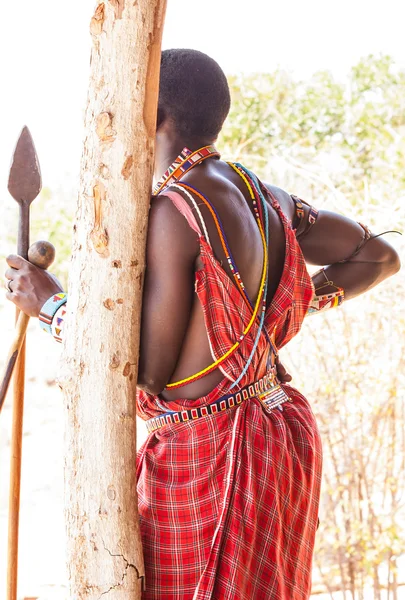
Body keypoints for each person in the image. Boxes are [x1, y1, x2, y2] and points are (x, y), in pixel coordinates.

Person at [4, 49, 401, 600]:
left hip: (210, 456)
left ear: (153, 111)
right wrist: (285, 305)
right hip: (277, 434)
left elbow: (145, 370)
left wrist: (50, 306)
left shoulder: (174, 209)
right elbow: (378, 257)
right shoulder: (261, 195)